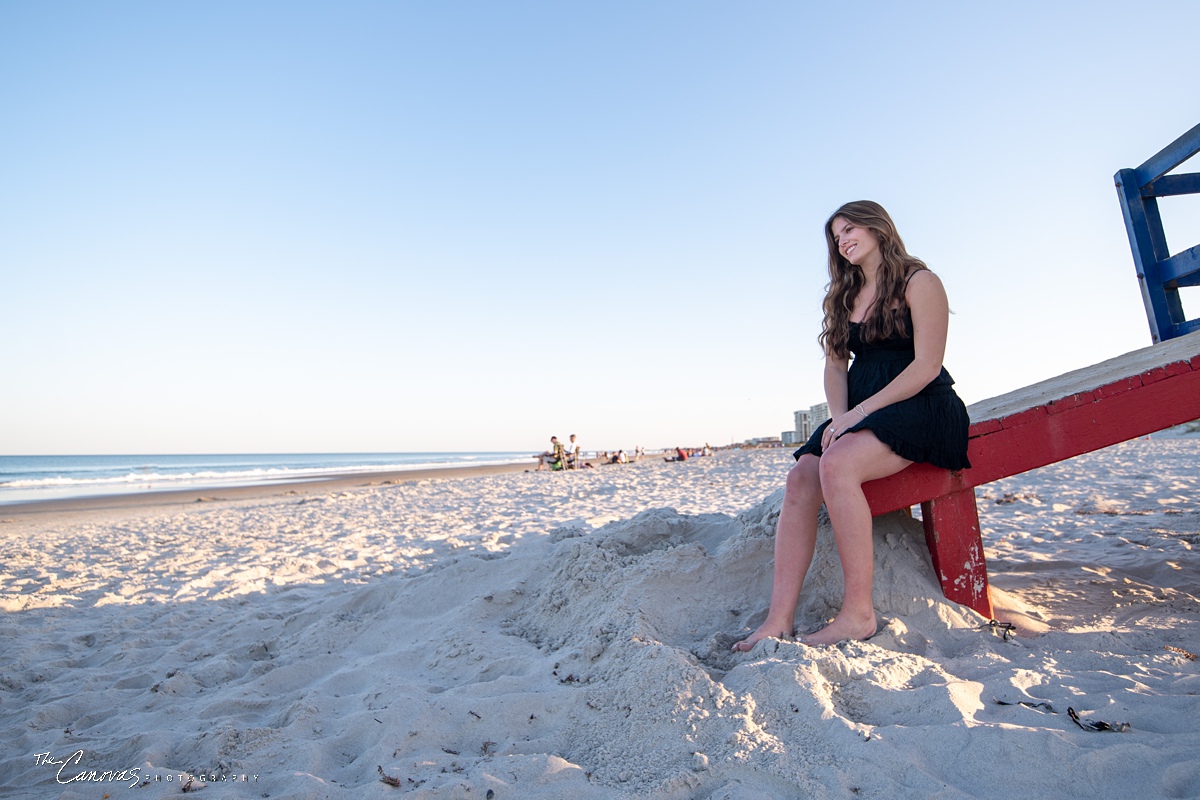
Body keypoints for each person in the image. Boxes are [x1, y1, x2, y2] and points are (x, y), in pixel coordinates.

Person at [732, 200, 971, 651]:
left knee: (837, 465)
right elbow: (835, 367)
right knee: (801, 476)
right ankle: (777, 619)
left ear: (878, 227)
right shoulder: (843, 295)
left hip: (921, 404)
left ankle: (858, 614)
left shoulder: (921, 282)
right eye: (836, 236)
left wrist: (858, 416)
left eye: (849, 229)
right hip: (859, 410)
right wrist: (840, 418)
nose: (842, 241)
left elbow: (926, 365)